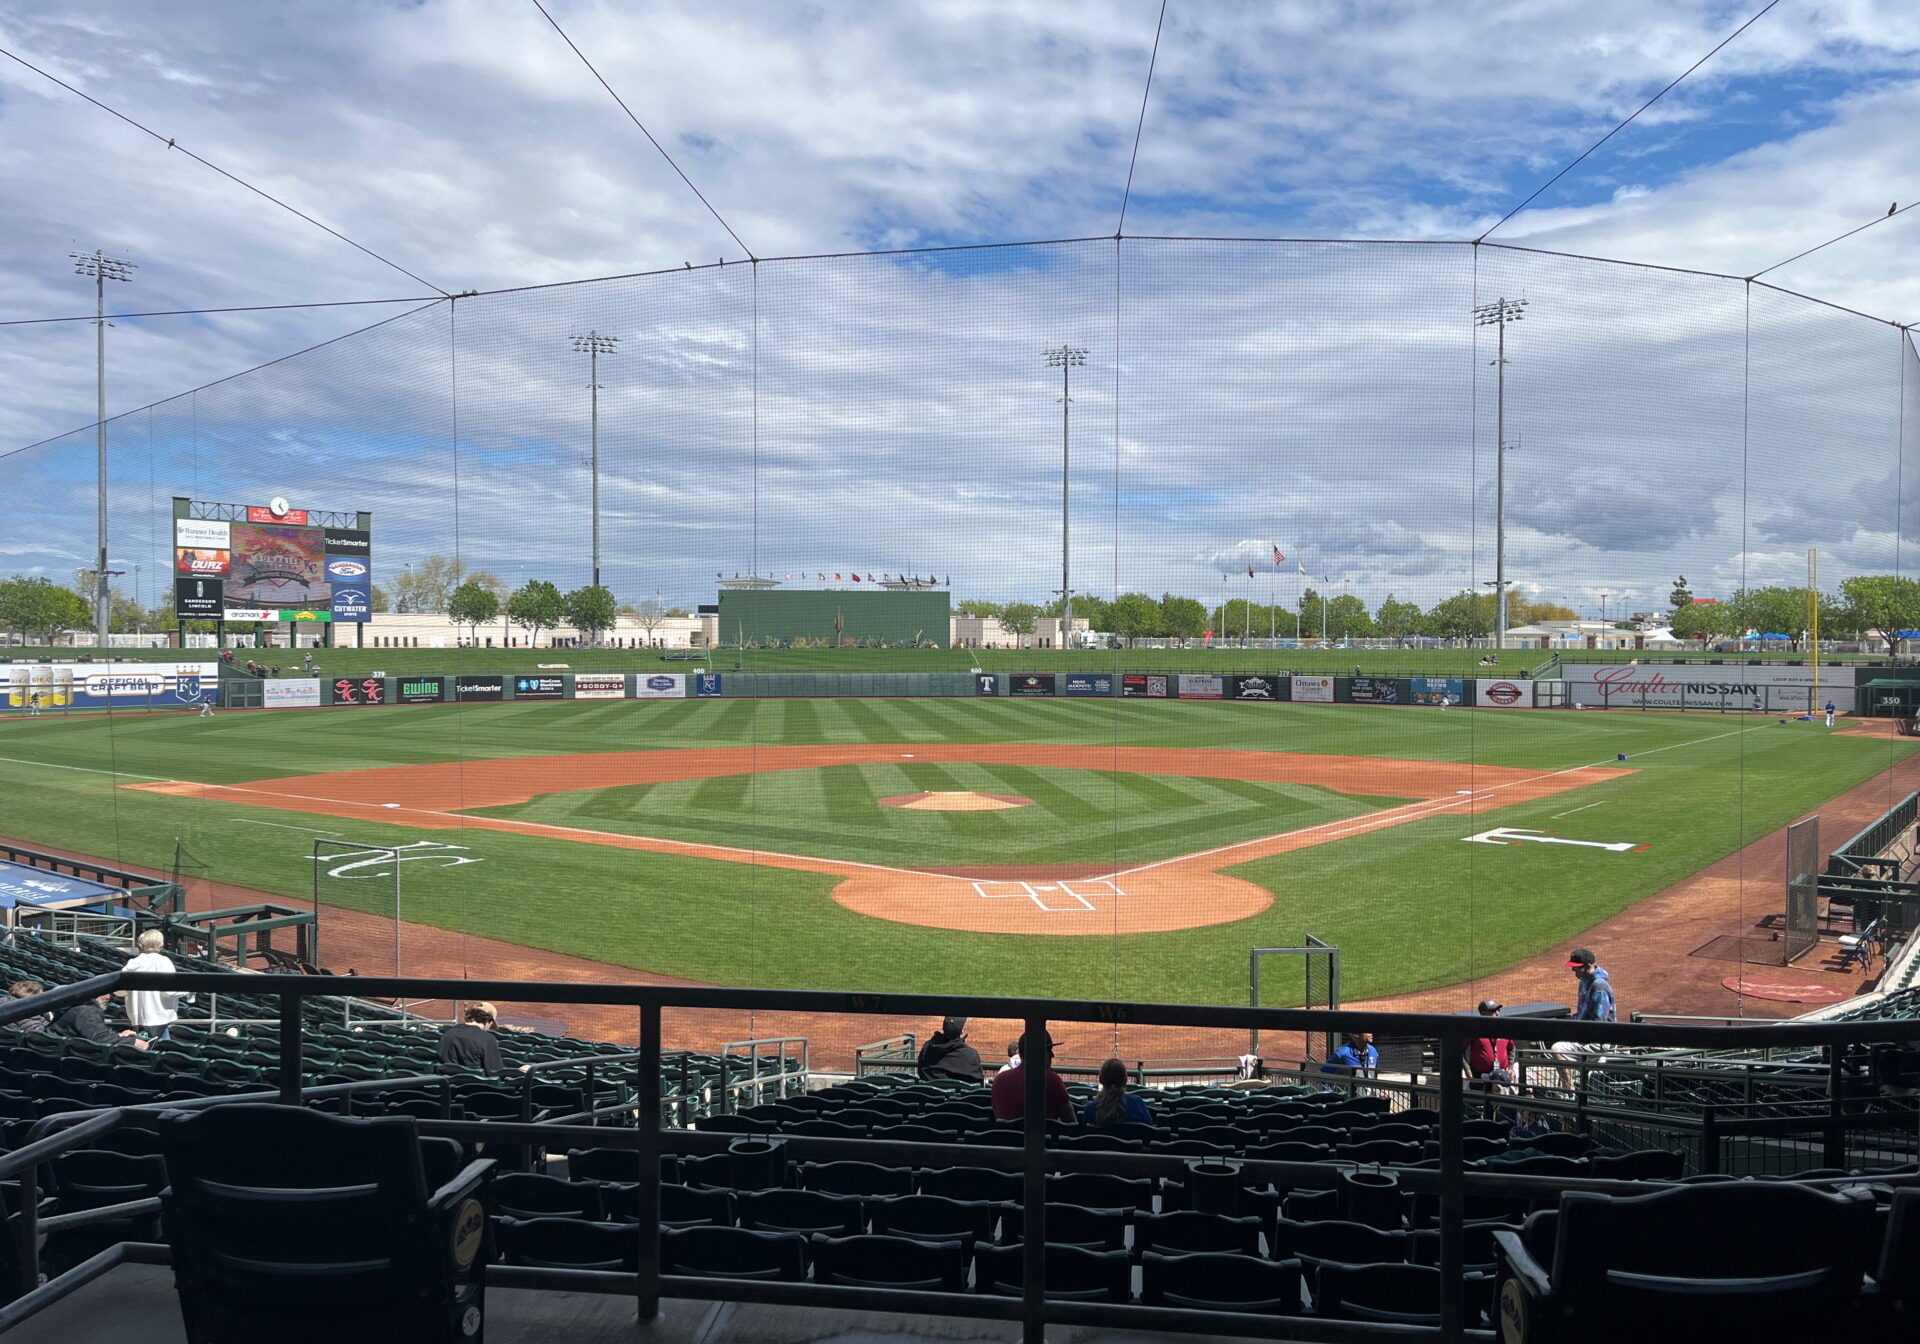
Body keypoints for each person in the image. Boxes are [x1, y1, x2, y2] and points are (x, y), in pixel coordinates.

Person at [990, 1027, 1077, 1124]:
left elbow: (997, 1117)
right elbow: (1070, 1123)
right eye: (1048, 1050)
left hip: (1008, 1134)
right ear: (1037, 1052)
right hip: (1046, 1134)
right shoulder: (1051, 1080)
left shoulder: (999, 1081)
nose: (1052, 1055)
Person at [121, 929, 191, 1041]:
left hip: (137, 1018)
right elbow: (170, 991)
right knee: (160, 1050)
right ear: (160, 945)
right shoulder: (163, 962)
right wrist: (189, 988)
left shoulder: (132, 963)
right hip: (159, 1018)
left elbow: (122, 991)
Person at [438, 1001, 529, 1073]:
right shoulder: (487, 1039)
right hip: (476, 1088)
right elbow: (495, 1072)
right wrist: (519, 1071)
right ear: (489, 1020)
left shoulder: (448, 1033)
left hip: (447, 1087)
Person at [50, 992, 148, 1049]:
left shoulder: (82, 1005)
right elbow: (100, 1040)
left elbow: (94, 1034)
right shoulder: (87, 1011)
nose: (111, 999)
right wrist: (132, 1042)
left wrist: (119, 1036)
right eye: (111, 994)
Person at [1082, 1057, 1154, 1128]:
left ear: (1101, 1079)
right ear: (1125, 1080)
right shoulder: (1137, 1104)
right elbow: (1149, 1130)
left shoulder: (1090, 1109)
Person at [916, 1015, 984, 1083]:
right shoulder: (971, 1055)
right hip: (961, 1089)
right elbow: (978, 1081)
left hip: (931, 1089)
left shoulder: (927, 1049)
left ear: (943, 1028)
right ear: (961, 1032)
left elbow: (921, 1074)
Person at [1567, 948, 1616, 1022]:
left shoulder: (1599, 986)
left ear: (1587, 967)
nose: (1573, 969)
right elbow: (1583, 1013)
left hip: (1599, 1028)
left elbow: (1599, 1021)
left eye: (1576, 967)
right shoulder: (1584, 981)